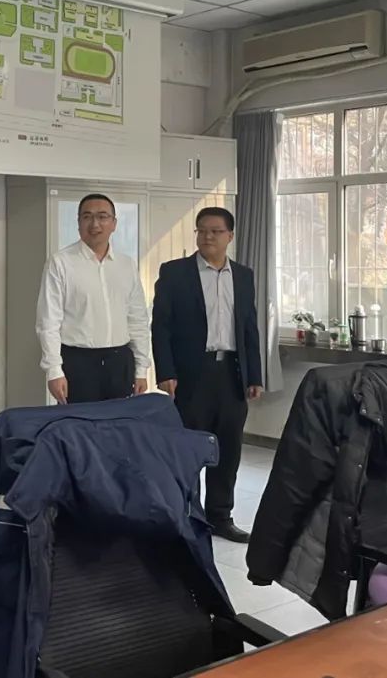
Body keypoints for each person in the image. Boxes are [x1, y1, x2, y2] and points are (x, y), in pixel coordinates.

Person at [151, 207, 263, 544]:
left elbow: (249, 328)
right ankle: (187, 514)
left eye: (215, 231)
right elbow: (161, 327)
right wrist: (166, 371)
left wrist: (254, 375)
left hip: (231, 373)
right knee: (188, 448)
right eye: (201, 230)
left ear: (230, 236)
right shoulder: (175, 273)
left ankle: (220, 517)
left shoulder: (243, 275)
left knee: (227, 451)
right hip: (191, 375)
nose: (207, 236)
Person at [36, 193, 150, 404]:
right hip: (78, 363)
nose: (95, 224)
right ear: (78, 223)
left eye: (102, 216)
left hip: (120, 362)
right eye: (87, 217)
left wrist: (141, 368)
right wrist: (54, 370)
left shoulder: (126, 265)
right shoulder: (60, 263)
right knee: (78, 422)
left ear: (114, 223)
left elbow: (137, 320)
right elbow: (48, 322)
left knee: (119, 422)